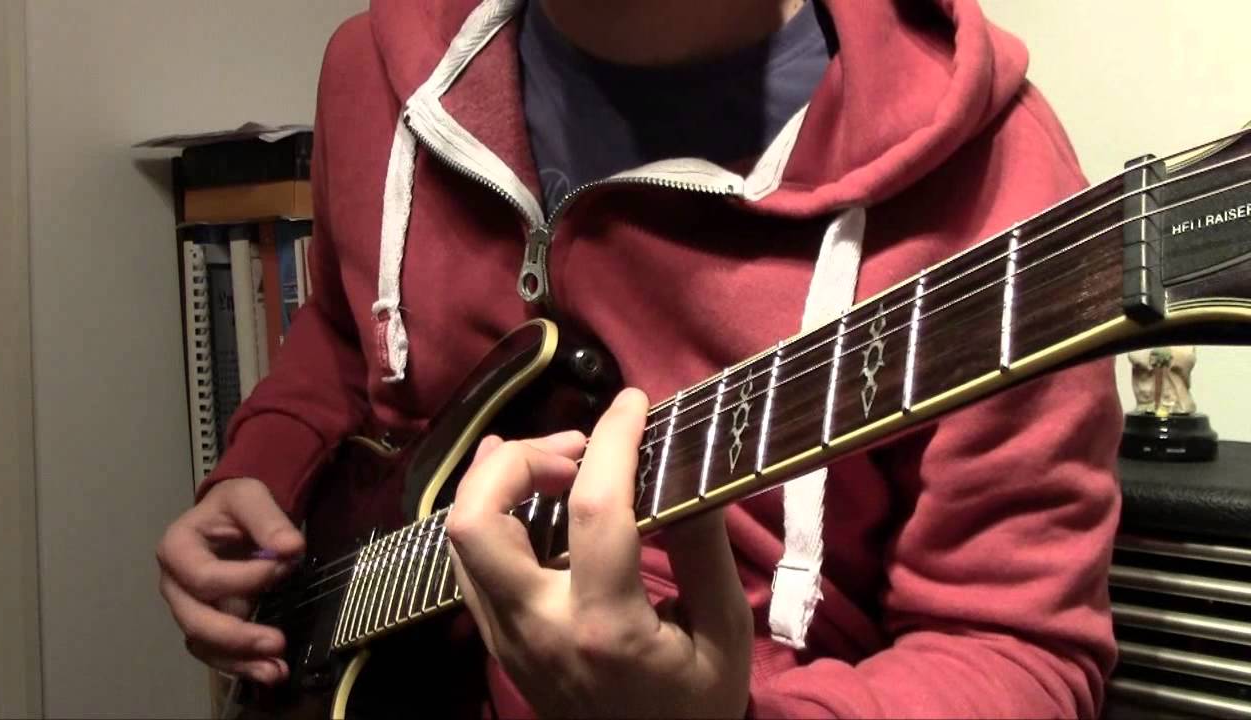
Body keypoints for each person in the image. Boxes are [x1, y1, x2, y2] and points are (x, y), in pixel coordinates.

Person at [157, 0, 1123, 716]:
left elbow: (1019, 657)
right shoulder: (370, 72)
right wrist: (263, 469)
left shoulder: (1003, 189)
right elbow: (343, 335)